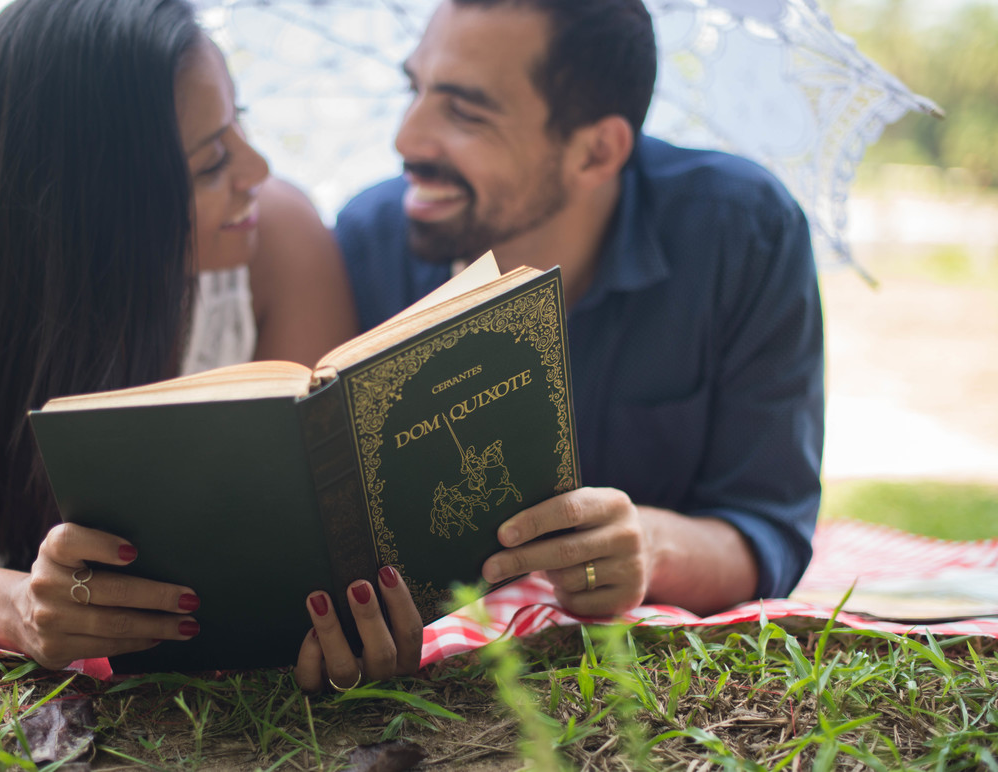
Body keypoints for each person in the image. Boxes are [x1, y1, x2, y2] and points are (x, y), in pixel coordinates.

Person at [0, 0, 422, 691]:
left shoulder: (277, 233)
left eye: (239, 123)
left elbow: (328, 538)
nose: (257, 168)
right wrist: (15, 607)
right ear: (98, 208)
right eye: (211, 160)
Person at [335, 0, 824, 617]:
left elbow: (768, 530)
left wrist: (652, 546)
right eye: (415, 87)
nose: (405, 138)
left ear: (596, 152)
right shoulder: (368, 241)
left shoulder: (743, 233)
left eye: (465, 111)